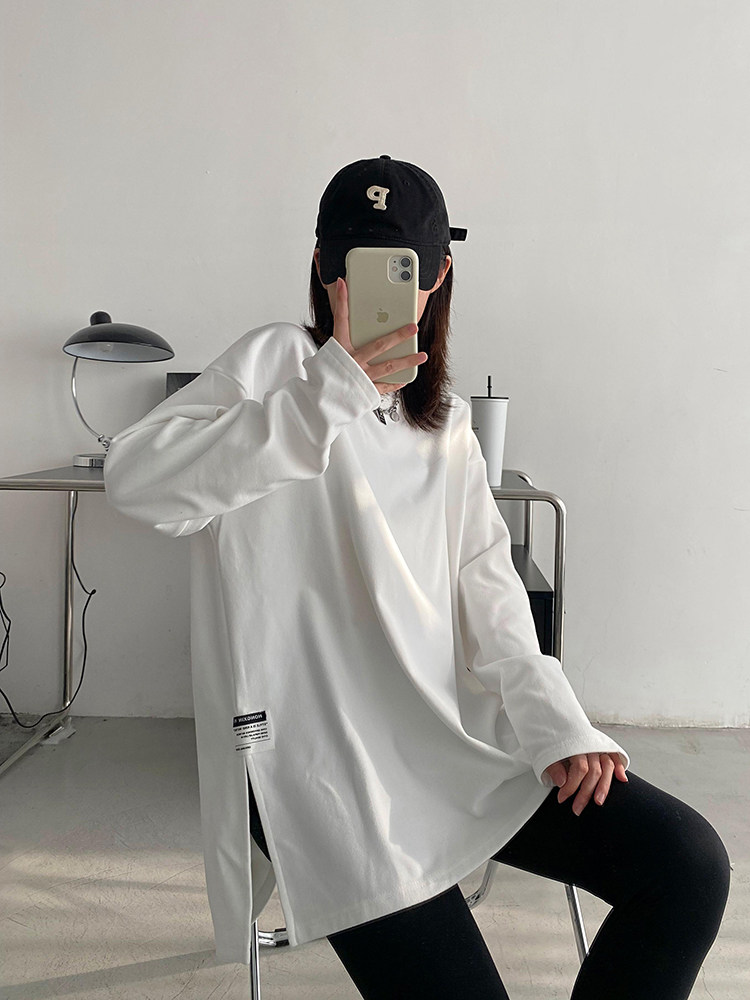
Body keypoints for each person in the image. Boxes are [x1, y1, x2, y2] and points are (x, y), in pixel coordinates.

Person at [104, 156, 730, 998]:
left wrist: (557, 724)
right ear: (323, 269)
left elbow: (489, 592)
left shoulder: (446, 424)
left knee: (687, 867)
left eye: (399, 269)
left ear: (436, 277)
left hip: (448, 736)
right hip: (320, 762)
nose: (373, 291)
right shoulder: (276, 365)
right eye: (355, 266)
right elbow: (136, 482)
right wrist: (329, 391)